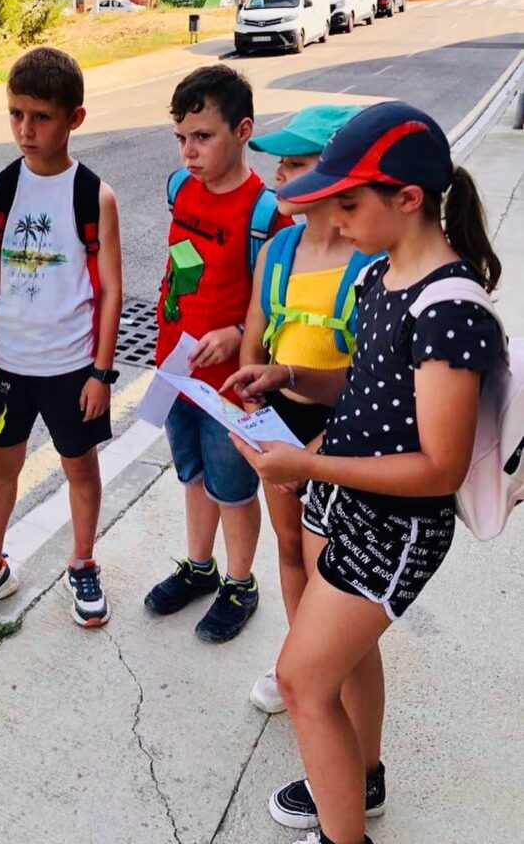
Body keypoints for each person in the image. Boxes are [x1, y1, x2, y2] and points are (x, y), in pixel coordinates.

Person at [223, 101, 502, 844]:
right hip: (341, 498)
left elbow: (439, 468)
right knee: (343, 664)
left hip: (393, 526)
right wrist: (287, 374)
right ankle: (361, 777)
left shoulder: (449, 312)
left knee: (300, 681)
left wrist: (307, 462)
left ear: (406, 199)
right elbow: (366, 384)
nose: (337, 220)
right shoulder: (379, 273)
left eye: (349, 204)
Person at [0, 47, 123, 629]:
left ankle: (83, 562)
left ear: (75, 118)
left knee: (80, 468)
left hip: (72, 367)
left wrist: (101, 372)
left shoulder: (94, 195)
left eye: (41, 117)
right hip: (8, 365)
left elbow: (111, 291)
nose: (25, 129)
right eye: (16, 114)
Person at [144, 65, 292, 643]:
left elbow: (278, 303)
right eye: (181, 137)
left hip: (231, 385)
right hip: (176, 367)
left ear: (243, 130)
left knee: (232, 487)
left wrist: (235, 332)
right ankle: (199, 566)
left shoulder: (267, 215)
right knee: (193, 475)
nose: (189, 151)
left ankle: (239, 582)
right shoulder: (180, 190)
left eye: (203, 137)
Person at [240, 105, 370, 713]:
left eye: (295, 164)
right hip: (280, 421)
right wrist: (248, 397)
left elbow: (375, 384)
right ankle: (298, 658)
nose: (278, 177)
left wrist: (314, 452)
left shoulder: (370, 261)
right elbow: (255, 336)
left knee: (333, 560)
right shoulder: (279, 247)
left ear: (339, 173)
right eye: (280, 164)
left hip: (346, 432)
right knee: (289, 546)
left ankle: (330, 663)